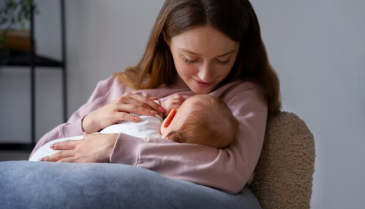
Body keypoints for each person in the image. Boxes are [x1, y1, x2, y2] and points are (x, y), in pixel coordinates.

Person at [30, 0, 281, 194]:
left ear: (241, 49)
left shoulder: (240, 96)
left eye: (223, 59)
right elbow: (41, 152)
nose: (206, 74)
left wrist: (116, 148)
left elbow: (232, 172)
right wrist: (90, 121)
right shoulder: (119, 87)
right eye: (190, 58)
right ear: (166, 40)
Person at [29, 94, 238, 161]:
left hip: (53, 151)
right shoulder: (160, 154)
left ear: (171, 115)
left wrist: (163, 105)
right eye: (190, 58)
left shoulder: (147, 117)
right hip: (64, 153)